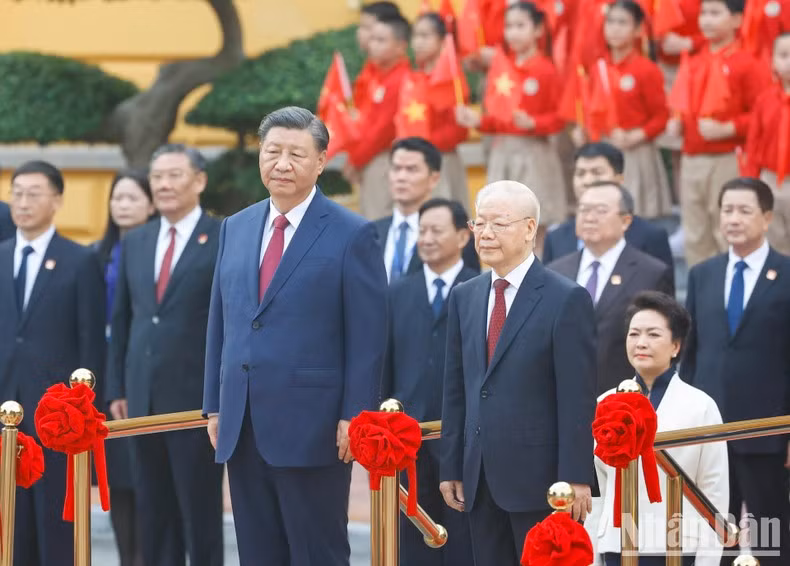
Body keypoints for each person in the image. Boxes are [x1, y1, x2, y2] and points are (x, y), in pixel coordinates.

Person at [202, 107, 388, 566]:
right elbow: (221, 322)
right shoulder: (236, 226)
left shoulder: (353, 233)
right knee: (257, 551)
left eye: (296, 154)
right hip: (242, 421)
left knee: (316, 550)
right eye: (273, 152)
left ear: (321, 162)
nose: (282, 164)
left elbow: (368, 336)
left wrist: (354, 414)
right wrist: (214, 404)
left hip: (315, 426)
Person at [440, 180, 597, 566]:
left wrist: (576, 476)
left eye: (499, 223)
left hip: (542, 481)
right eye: (480, 223)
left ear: (529, 229)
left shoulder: (565, 298)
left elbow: (576, 396)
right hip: (479, 476)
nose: (486, 233)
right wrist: (453, 465)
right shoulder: (466, 295)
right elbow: (457, 389)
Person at [107, 145, 224, 566]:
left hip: (196, 402)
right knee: (153, 509)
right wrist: (117, 385)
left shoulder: (222, 237)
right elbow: (123, 319)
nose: (164, 185)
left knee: (198, 510)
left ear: (199, 181)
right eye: (157, 177)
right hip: (141, 399)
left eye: (175, 175)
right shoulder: (137, 240)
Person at [0, 160, 105, 566]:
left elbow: (91, 342)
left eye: (34, 193)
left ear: (58, 199)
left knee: (54, 523)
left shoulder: (79, 261)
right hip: (6, 407)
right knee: (11, 519)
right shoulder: (2, 255)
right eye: (17, 193)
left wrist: (84, 412)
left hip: (56, 417)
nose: (23, 203)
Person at [682, 177, 790, 566]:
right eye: (727, 210)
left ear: (766, 218)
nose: (733, 219)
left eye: (744, 211)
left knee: (770, 535)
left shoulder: (786, 273)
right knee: (713, 534)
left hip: (767, 431)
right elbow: (691, 355)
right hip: (710, 432)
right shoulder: (702, 274)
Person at [592, 291, 728, 566]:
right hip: (617, 542)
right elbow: (600, 487)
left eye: (653, 335)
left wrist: (708, 558)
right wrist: (594, 550)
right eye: (634, 334)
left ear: (676, 346)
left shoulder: (700, 405)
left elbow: (714, 489)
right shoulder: (605, 402)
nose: (641, 343)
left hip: (678, 543)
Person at [381, 197, 478, 566]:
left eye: (437, 230)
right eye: (422, 231)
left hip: (464, 441)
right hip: (408, 444)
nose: (427, 238)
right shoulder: (396, 293)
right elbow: (386, 366)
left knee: (463, 542)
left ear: (462, 237)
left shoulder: (479, 289)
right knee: (412, 542)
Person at [456, 2, 568, 246]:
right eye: (509, 26)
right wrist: (478, 121)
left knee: (535, 227)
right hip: (502, 153)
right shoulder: (500, 68)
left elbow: (561, 117)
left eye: (520, 26)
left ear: (538, 30)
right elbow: (497, 119)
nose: (513, 33)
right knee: (501, 226)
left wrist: (534, 122)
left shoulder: (545, 70)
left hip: (534, 153)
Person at [548, 181, 674, 394]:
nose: (589, 217)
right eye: (584, 210)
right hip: (564, 393)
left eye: (600, 211)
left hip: (625, 396)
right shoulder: (555, 271)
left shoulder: (651, 272)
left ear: (625, 221)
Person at [671, 0, 771, 266]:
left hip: (727, 157)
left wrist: (729, 127)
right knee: (695, 235)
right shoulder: (694, 60)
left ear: (738, 20)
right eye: (704, 13)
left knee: (727, 232)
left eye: (716, 13)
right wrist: (677, 121)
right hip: (692, 157)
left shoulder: (747, 63)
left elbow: (765, 115)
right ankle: (699, 299)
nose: (706, 20)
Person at [94, 170, 155, 566]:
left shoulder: (158, 251)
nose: (123, 206)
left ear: (150, 204)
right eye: (117, 198)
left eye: (132, 198)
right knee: (116, 480)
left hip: (146, 375)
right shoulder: (95, 255)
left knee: (147, 481)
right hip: (105, 378)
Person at [576, 0, 672, 219]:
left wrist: (636, 135)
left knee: (635, 216)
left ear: (638, 29)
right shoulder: (597, 67)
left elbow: (661, 116)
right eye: (610, 22)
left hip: (635, 153)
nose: (615, 28)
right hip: (603, 151)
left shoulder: (646, 69)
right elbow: (590, 108)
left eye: (622, 22)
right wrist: (584, 130)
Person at [542, 142, 674, 270]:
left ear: (619, 179)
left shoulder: (650, 237)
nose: (587, 181)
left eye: (597, 172)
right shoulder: (556, 238)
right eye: (580, 174)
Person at [375, 137, 480, 283]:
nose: (401, 177)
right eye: (396, 169)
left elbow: (470, 289)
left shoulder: (456, 235)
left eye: (412, 169)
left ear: (434, 179)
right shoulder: (373, 232)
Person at [345, 13, 412, 219]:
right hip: (369, 158)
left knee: (378, 219)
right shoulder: (376, 76)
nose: (373, 45)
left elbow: (382, 130)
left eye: (381, 40)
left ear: (400, 47)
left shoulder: (400, 79)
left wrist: (356, 160)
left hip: (383, 158)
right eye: (372, 39)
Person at [400, 11, 470, 207]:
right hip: (416, 162)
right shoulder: (414, 79)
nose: (418, 42)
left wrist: (424, 146)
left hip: (442, 162)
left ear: (442, 40)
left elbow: (459, 131)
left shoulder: (452, 80)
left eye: (425, 36)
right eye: (415, 36)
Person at [744, 32, 790, 255]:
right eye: (783, 55)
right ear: (772, 60)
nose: (789, 61)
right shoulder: (764, 100)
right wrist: (751, 184)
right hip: (771, 180)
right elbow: (753, 145)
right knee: (774, 243)